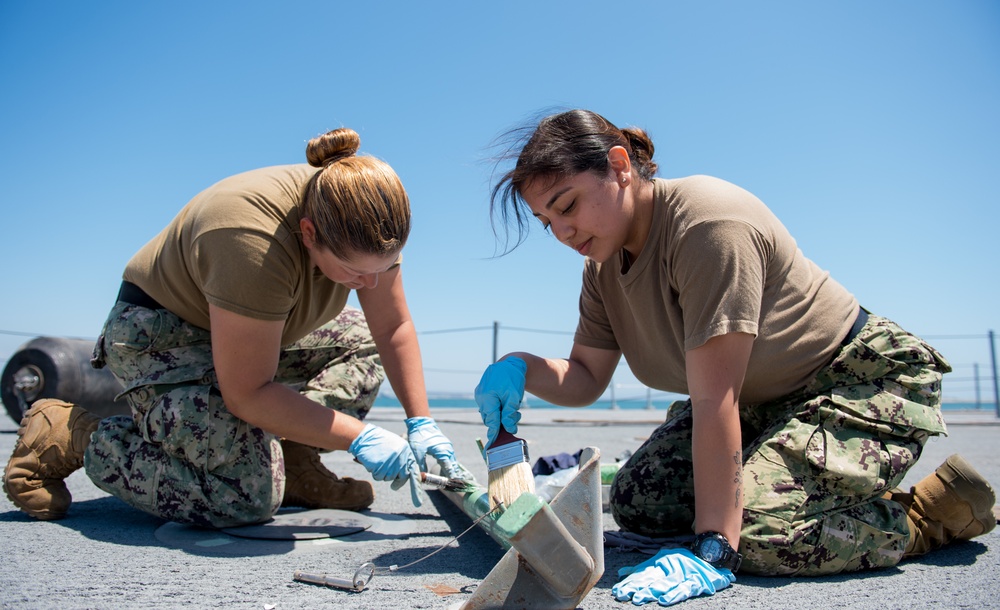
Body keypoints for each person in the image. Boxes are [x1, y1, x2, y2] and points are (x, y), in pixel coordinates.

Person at [475, 109, 996, 604]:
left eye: (567, 206)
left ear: (619, 165)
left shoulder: (706, 225)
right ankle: (795, 486)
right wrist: (521, 366)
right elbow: (586, 378)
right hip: (763, 404)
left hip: (859, 382)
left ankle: (924, 516)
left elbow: (714, 398)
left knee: (756, 533)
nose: (563, 233)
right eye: (547, 222)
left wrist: (715, 548)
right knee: (640, 499)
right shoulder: (602, 267)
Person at [4, 127, 462, 528]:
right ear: (308, 234)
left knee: (359, 342)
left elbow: (392, 325)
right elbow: (248, 392)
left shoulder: (365, 214)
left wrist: (421, 421)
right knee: (242, 498)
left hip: (258, 331)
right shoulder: (250, 239)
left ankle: (297, 459)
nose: (372, 283)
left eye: (383, 267)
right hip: (168, 336)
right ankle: (74, 434)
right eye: (355, 272)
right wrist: (357, 436)